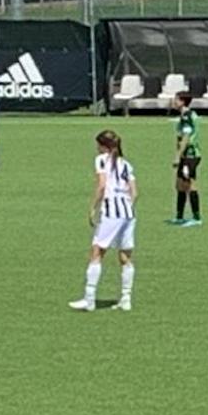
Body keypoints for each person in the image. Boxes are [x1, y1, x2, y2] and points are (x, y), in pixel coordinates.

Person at [69, 130, 137, 312]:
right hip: (129, 213)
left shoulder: (101, 160)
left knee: (97, 252)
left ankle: (89, 299)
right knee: (125, 256)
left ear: (104, 146)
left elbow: (102, 185)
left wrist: (93, 207)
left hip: (112, 212)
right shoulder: (127, 164)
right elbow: (134, 192)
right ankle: (126, 298)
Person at [169, 92, 203, 227]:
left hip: (190, 155)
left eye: (176, 100)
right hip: (186, 156)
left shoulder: (187, 117)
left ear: (182, 102)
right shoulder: (185, 115)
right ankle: (179, 216)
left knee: (190, 184)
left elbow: (186, 137)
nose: (174, 102)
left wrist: (178, 155)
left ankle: (196, 217)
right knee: (179, 185)